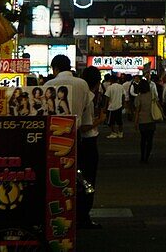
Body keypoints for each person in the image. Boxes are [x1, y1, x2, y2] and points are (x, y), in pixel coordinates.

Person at [43, 54, 101, 230]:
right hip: (81, 140)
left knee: (59, 178)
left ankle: (60, 215)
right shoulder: (82, 85)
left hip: (55, 140)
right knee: (86, 179)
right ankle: (83, 216)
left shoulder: (47, 86)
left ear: (55, 69)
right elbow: (86, 114)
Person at [79, 65, 106, 223]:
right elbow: (85, 126)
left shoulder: (81, 94)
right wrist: (100, 120)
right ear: (97, 82)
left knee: (81, 179)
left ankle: (80, 213)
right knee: (88, 179)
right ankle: (84, 216)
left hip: (80, 142)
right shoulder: (88, 97)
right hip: (88, 142)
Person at [131, 77, 158, 163]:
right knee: (150, 140)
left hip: (142, 121)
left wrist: (135, 122)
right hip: (151, 119)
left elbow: (137, 111)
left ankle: (142, 156)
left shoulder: (139, 97)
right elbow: (157, 105)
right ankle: (147, 156)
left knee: (143, 139)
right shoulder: (152, 95)